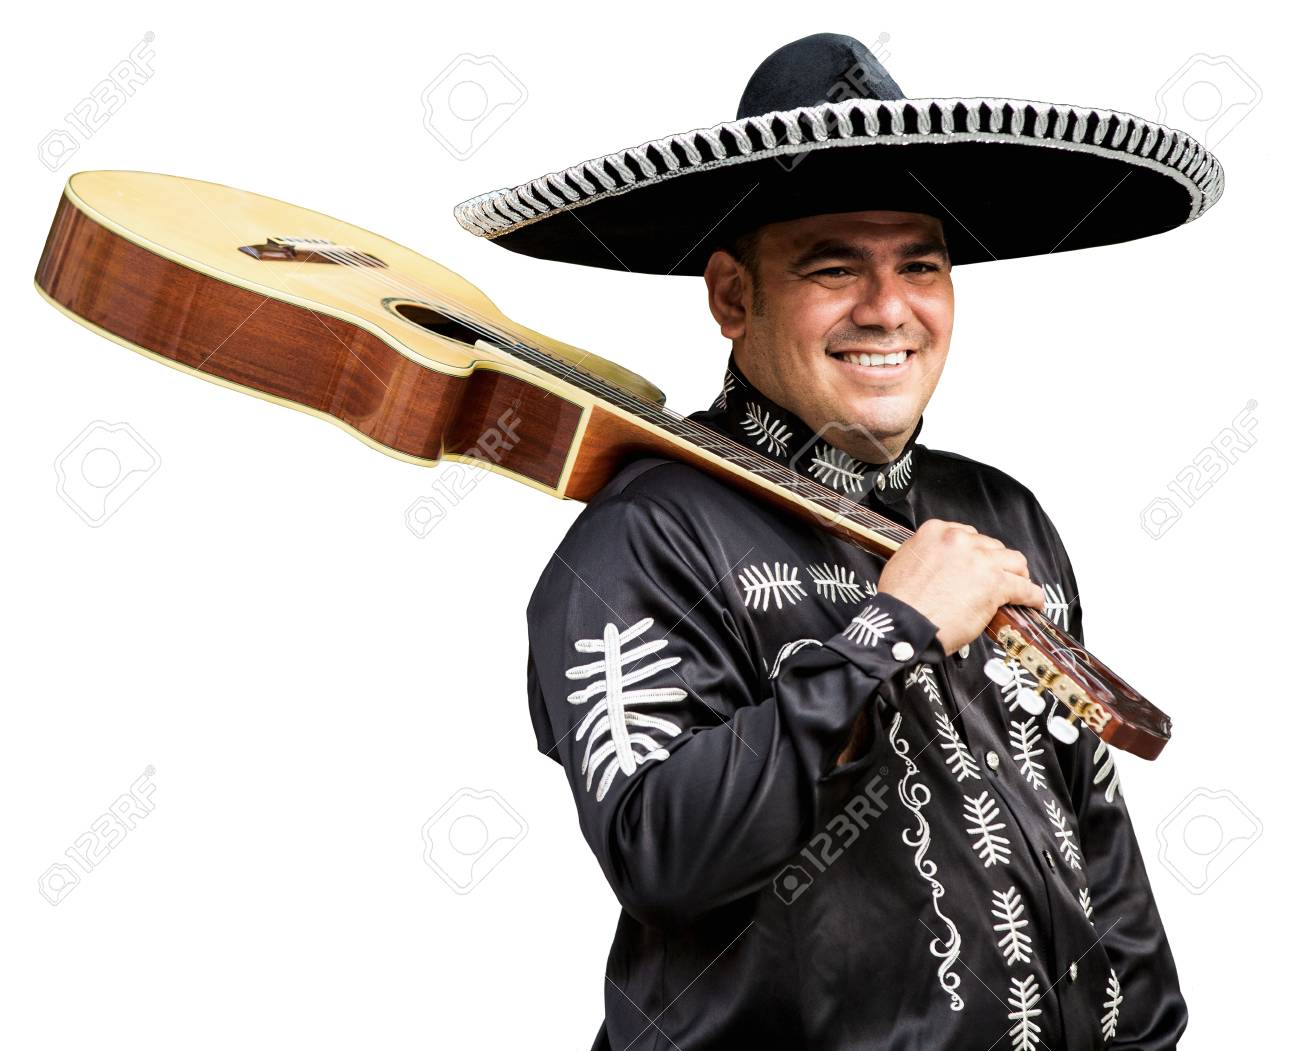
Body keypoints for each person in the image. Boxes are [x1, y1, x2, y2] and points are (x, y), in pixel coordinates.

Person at [456, 31, 1223, 1051]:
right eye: (833, 268)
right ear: (733, 296)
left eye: (921, 264)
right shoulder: (643, 537)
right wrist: (893, 631)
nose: (888, 309)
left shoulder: (1001, 514)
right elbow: (664, 854)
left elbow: (1085, 824)